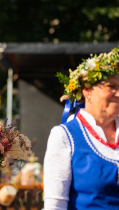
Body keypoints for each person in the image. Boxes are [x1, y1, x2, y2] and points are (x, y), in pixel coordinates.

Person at [44, 48, 119, 209]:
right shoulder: (65, 136)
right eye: (111, 86)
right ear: (87, 91)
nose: (118, 93)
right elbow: (55, 205)